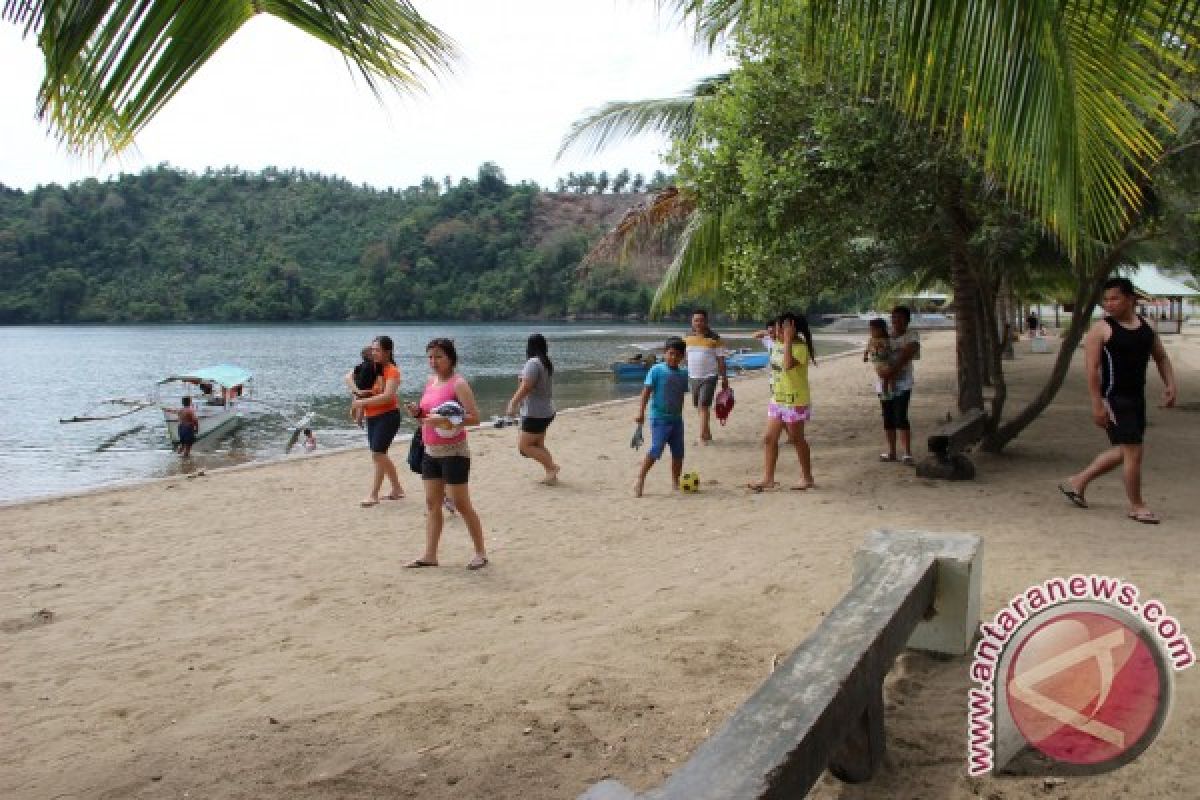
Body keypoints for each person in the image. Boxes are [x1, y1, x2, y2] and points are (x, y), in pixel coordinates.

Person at [1059, 277, 1177, 524]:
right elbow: (1092, 369)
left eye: (1115, 298)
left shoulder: (1147, 327)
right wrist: (1097, 404)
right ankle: (1137, 505)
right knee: (1134, 452)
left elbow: (1162, 357)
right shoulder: (1101, 329)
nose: (1109, 304)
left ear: (1130, 299)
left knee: (1125, 450)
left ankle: (1077, 481)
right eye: (1106, 299)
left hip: (1137, 397)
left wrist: (1170, 384)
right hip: (1114, 398)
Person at [403, 338, 488, 569]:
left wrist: (445, 419)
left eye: (438, 356)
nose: (433, 361)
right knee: (432, 504)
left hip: (455, 452)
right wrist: (418, 412)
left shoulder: (458, 384)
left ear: (450, 358)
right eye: (430, 356)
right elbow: (428, 418)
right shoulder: (430, 382)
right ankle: (430, 555)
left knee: (461, 504)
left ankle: (480, 553)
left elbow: (475, 418)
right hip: (430, 451)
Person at [749, 312, 817, 491]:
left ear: (792, 329)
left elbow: (787, 365)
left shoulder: (800, 348)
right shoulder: (778, 343)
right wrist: (779, 339)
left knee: (796, 438)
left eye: (781, 327)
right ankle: (768, 478)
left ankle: (807, 477)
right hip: (778, 398)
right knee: (769, 438)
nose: (777, 330)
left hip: (795, 400)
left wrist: (787, 340)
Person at [349, 335, 404, 506]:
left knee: (378, 454)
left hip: (388, 416)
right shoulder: (370, 368)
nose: (374, 353)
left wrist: (361, 402)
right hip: (371, 417)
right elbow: (350, 378)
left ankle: (374, 494)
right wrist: (358, 398)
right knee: (379, 455)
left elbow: (387, 397)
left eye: (378, 350)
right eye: (372, 350)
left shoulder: (392, 371)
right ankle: (397, 489)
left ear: (388, 351)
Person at [633, 337, 689, 497]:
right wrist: (640, 412)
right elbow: (646, 392)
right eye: (671, 354)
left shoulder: (683, 373)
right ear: (664, 353)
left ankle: (675, 482)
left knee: (678, 453)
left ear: (682, 357)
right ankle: (640, 478)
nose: (674, 358)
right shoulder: (657, 370)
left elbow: (680, 395)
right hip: (659, 418)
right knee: (656, 449)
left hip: (677, 420)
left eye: (678, 355)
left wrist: (679, 412)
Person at [505, 333, 560, 485]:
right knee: (538, 445)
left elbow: (526, 386)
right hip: (546, 410)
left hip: (536, 412)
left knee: (525, 446)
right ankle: (551, 473)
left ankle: (552, 467)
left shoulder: (533, 363)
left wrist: (513, 403)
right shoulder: (545, 362)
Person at [878, 305, 921, 465]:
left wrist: (891, 373)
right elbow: (878, 355)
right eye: (894, 317)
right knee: (887, 417)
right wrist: (884, 374)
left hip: (903, 382)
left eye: (900, 317)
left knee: (901, 416)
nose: (896, 320)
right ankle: (892, 452)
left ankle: (907, 453)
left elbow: (907, 354)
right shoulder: (885, 336)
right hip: (883, 381)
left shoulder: (912, 335)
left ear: (907, 320)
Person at [683, 309, 729, 444]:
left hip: (710, 376)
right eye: (696, 320)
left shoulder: (715, 338)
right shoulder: (686, 337)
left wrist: (724, 378)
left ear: (706, 321)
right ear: (692, 322)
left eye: (701, 320)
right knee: (699, 406)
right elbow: (683, 357)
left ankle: (702, 437)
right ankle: (707, 433)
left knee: (703, 405)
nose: (698, 323)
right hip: (692, 376)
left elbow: (721, 360)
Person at [346, 345, 379, 427]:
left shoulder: (360, 365)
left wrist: (356, 387)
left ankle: (354, 416)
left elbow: (355, 374)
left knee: (357, 401)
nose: (375, 354)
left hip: (358, 386)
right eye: (373, 352)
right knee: (361, 405)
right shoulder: (372, 365)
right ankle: (359, 421)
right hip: (365, 388)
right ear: (369, 356)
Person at [863, 318, 896, 400]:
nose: (871, 332)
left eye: (873, 330)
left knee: (890, 377)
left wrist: (884, 348)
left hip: (886, 361)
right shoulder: (871, 340)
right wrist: (865, 356)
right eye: (870, 330)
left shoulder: (886, 340)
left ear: (881, 330)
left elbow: (891, 349)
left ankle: (892, 391)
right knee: (885, 377)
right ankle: (885, 393)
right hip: (878, 362)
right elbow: (867, 349)